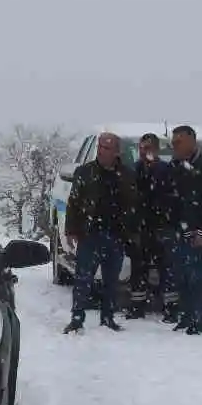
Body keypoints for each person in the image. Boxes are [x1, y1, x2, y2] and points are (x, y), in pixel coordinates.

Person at [62, 131, 138, 334]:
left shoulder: (128, 175)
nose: (102, 151)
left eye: (107, 148)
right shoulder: (85, 172)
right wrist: (71, 230)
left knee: (111, 281)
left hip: (116, 235)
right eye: (101, 147)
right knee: (83, 279)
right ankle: (77, 319)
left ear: (116, 151)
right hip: (90, 234)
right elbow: (74, 203)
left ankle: (108, 317)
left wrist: (131, 232)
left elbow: (134, 205)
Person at [168, 124, 202, 335]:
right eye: (173, 143)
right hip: (178, 231)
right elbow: (172, 199)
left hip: (196, 232)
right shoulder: (175, 166)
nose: (175, 146)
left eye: (179, 142)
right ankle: (185, 316)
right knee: (179, 276)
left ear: (192, 141)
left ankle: (197, 319)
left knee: (195, 276)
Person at [127, 132, 178, 321]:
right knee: (138, 268)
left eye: (147, 148)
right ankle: (137, 306)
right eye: (140, 148)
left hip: (162, 227)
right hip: (140, 228)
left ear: (156, 150)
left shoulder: (166, 170)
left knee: (167, 270)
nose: (143, 152)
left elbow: (171, 199)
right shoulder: (133, 170)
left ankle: (171, 308)